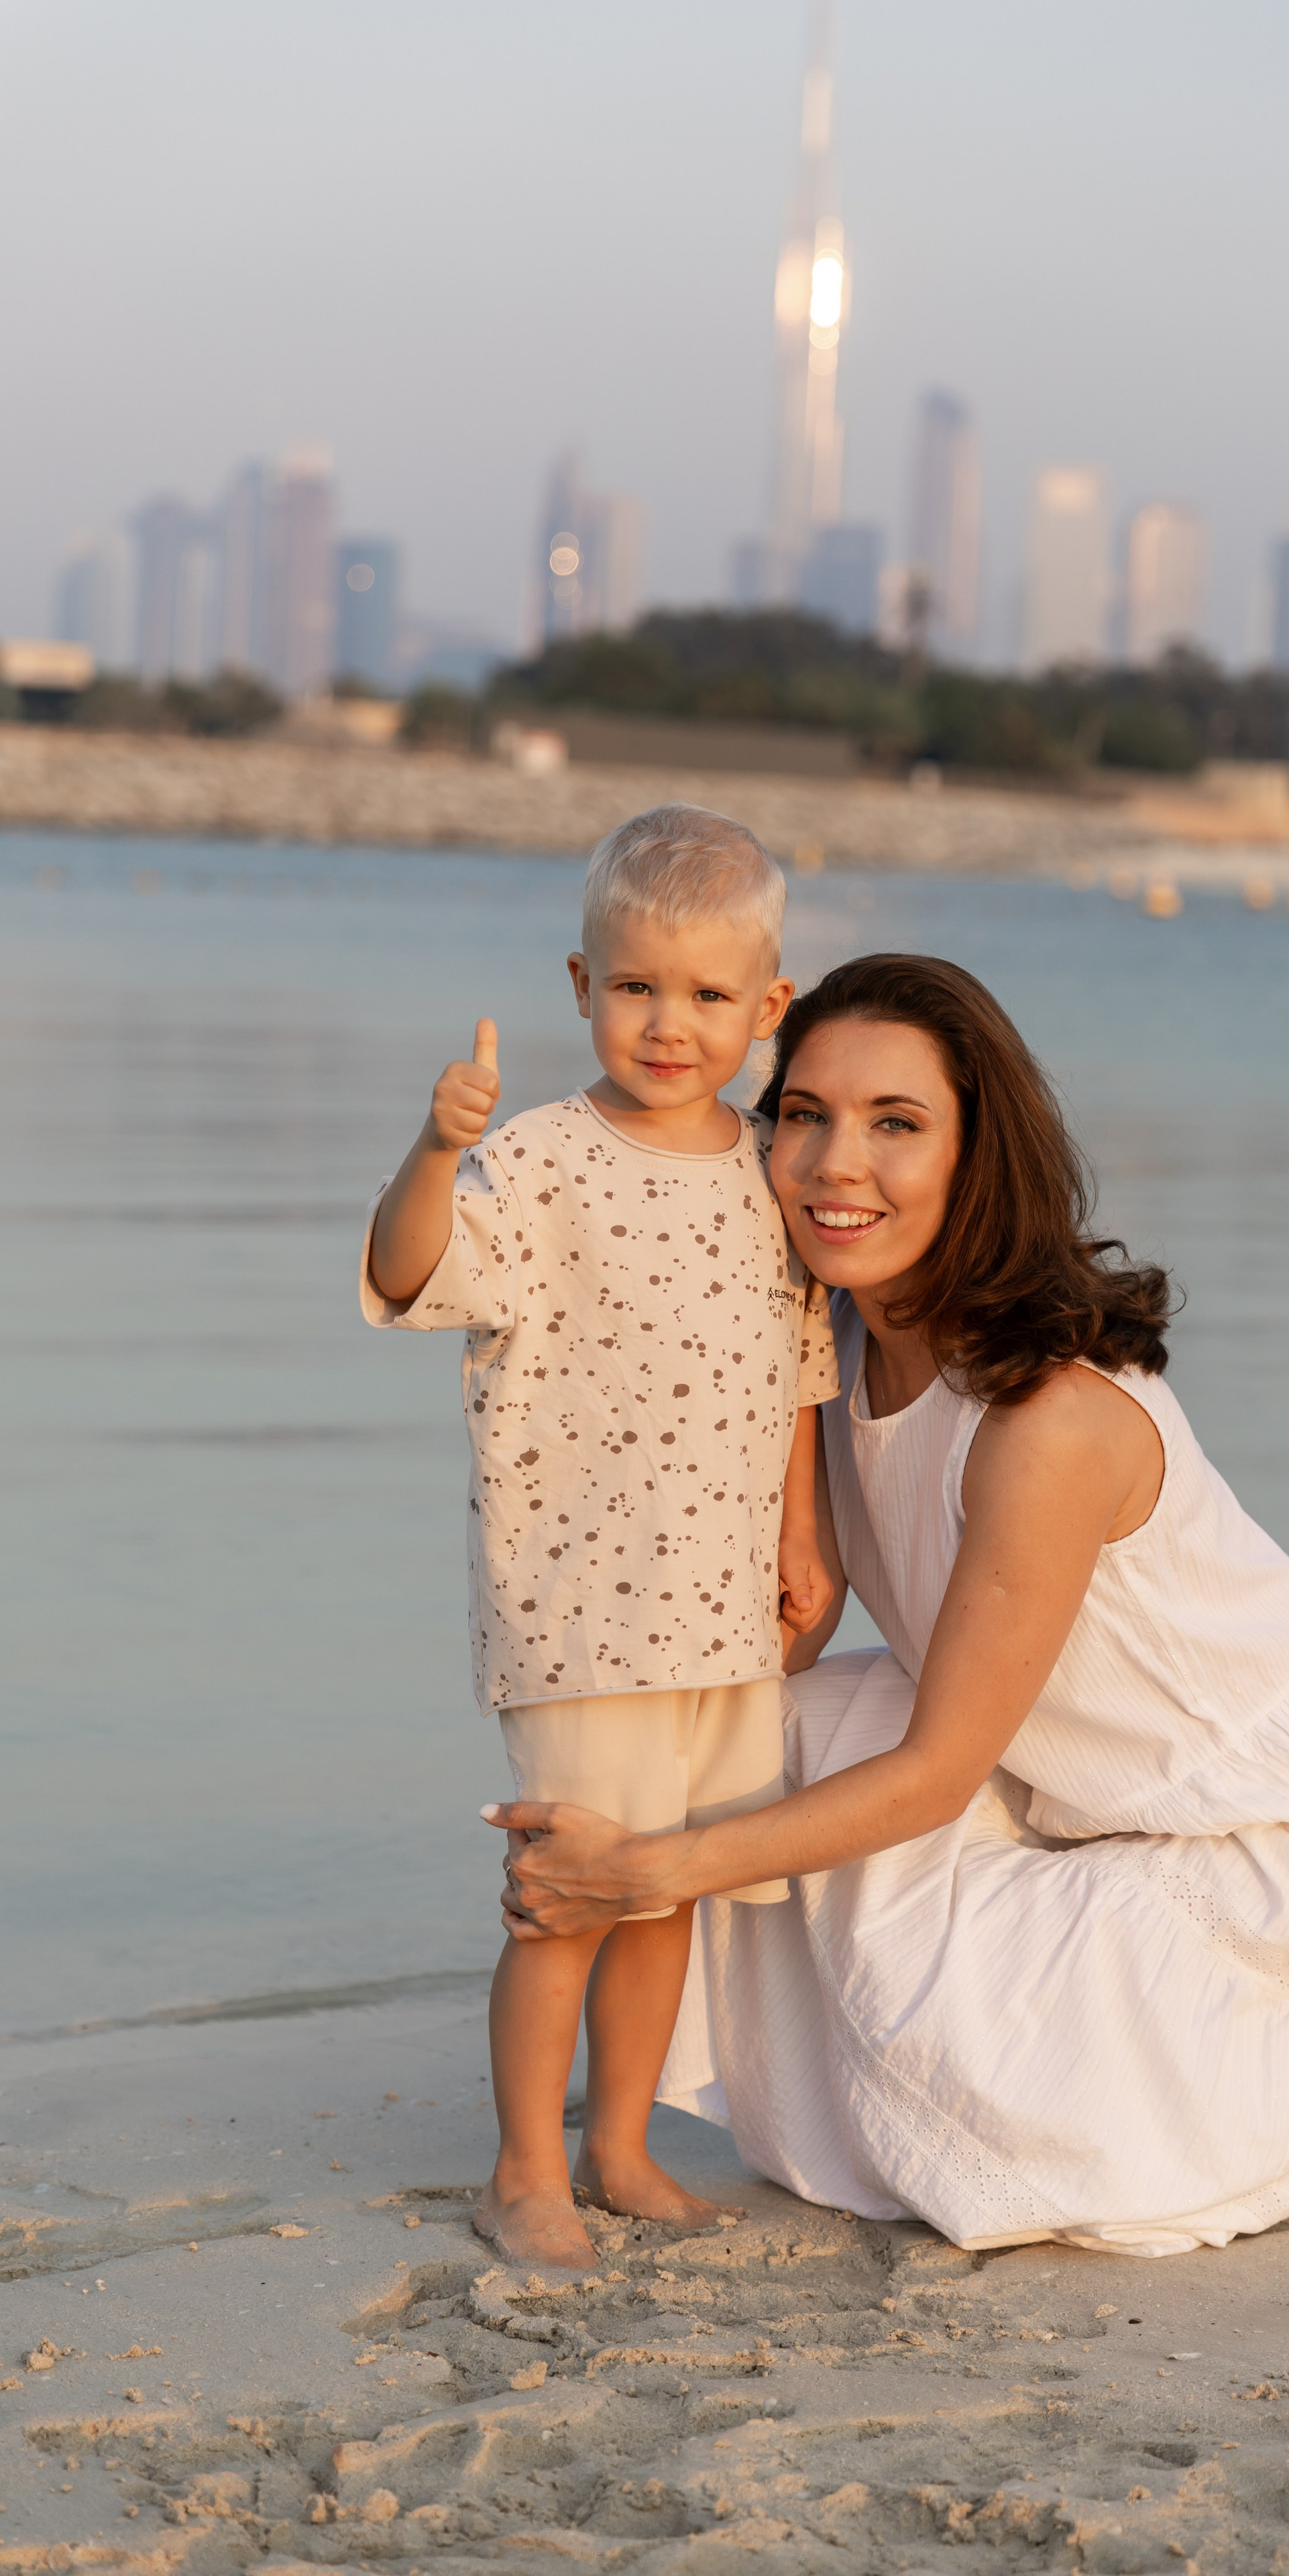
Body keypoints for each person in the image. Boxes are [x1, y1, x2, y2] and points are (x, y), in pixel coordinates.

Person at [486, 953, 1289, 2257]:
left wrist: (643, 1872)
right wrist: (613, 1733)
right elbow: (783, 1629)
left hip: (1280, 1832)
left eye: (895, 1123)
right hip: (1067, 1784)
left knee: (989, 2089)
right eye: (804, 1114)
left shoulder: (1045, 1424)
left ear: (974, 1157)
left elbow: (935, 1774)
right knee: (756, 1746)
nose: (837, 1163)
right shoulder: (827, 1345)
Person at [362, 804, 840, 2271]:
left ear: (767, 1007)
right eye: (635, 987)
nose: (668, 1024)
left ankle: (619, 2148)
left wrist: (805, 1538)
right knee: (568, 1901)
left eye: (707, 995)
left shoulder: (772, 1173)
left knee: (666, 1891)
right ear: (583, 986)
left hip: (722, 1611)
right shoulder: (537, 1160)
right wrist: (432, 1151)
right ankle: (523, 2171)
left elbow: (796, 1367)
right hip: (579, 1611)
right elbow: (411, 1274)